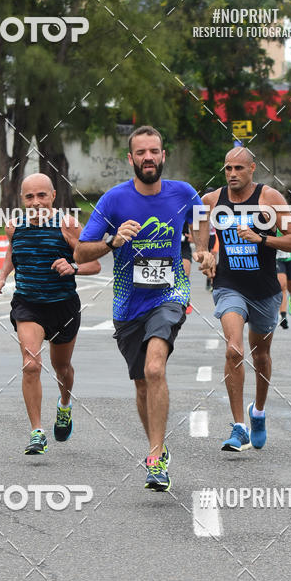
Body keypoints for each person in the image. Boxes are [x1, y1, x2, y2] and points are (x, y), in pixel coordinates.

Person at [74, 125, 200, 492]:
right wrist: (113, 240)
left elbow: (203, 221)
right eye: (141, 152)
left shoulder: (183, 193)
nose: (149, 157)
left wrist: (204, 251)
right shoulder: (113, 200)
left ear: (164, 156)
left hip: (170, 292)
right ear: (131, 159)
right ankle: (155, 447)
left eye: (154, 151)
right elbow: (81, 251)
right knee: (142, 382)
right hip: (128, 303)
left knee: (155, 367)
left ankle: (156, 456)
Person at [194, 146, 291, 452]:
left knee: (260, 356)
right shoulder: (212, 200)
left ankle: (258, 413)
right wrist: (203, 253)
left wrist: (262, 238)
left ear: (252, 169)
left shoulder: (270, 199)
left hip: (265, 291)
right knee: (233, 350)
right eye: (228, 168)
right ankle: (239, 426)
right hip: (229, 286)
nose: (232, 174)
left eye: (238, 169)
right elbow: (200, 229)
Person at [0, 173, 100, 455]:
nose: (36, 202)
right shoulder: (14, 226)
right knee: (31, 364)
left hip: (63, 305)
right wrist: (1, 277)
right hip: (28, 304)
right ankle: (37, 431)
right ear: (22, 199)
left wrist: (73, 267)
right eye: (29, 197)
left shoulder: (68, 225)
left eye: (41, 195)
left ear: (52, 195)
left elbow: (95, 265)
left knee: (62, 368)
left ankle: (64, 405)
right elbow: (14, 252)